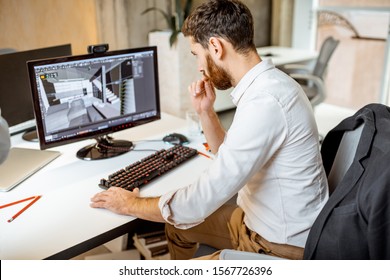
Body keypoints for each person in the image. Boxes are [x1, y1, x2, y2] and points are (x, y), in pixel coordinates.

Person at [91, 0, 328, 260]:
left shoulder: (266, 102)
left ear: (215, 47)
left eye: (196, 55)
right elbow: (228, 156)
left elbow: (199, 201)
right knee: (176, 228)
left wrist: (130, 203)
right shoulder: (268, 86)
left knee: (182, 219)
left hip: (276, 246)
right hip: (256, 222)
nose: (199, 67)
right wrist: (205, 111)